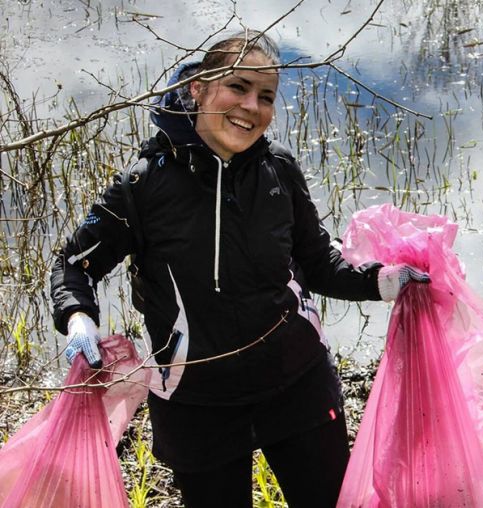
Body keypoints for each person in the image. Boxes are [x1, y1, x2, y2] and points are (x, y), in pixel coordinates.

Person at [49, 31, 428, 507]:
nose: (252, 106)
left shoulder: (279, 172)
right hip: (195, 400)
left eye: (265, 97)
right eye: (238, 87)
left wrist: (383, 280)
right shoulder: (141, 187)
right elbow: (73, 264)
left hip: (298, 384)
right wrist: (78, 317)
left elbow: (318, 263)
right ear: (198, 88)